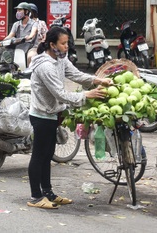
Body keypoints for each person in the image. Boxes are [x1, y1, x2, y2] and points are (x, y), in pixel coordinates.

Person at [26, 27, 112, 209]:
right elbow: (61, 94)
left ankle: (47, 192)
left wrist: (98, 80)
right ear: (52, 45)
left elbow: (76, 75)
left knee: (48, 155)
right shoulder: (45, 66)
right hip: (41, 116)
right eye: (63, 43)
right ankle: (35, 197)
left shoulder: (60, 59)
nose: (66, 47)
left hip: (53, 114)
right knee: (39, 156)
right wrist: (87, 95)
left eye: (67, 43)